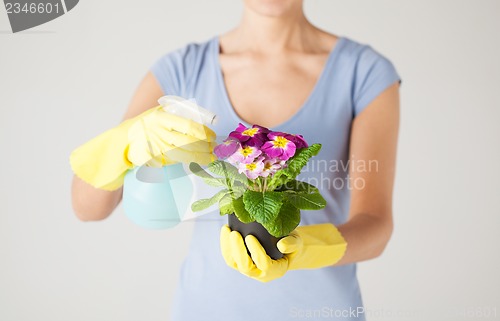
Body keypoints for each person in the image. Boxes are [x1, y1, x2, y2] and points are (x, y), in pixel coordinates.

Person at [70, 0, 401, 320]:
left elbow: (376, 225)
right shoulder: (183, 69)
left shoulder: (364, 72)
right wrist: (126, 141)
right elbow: (88, 206)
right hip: (207, 309)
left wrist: (304, 247)